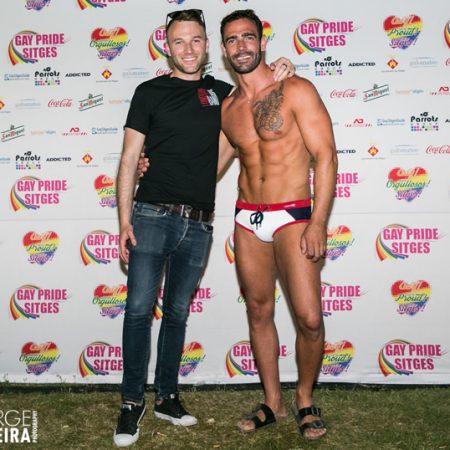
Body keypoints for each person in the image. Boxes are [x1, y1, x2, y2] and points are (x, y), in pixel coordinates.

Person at [114, 9, 295, 447]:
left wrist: (283, 70)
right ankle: (132, 402)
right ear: (167, 47)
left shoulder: (224, 95)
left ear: (208, 46)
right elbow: (129, 158)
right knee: (138, 311)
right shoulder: (149, 92)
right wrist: (123, 221)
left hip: (198, 225)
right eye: (179, 41)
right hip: (151, 216)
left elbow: (260, 99)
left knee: (177, 313)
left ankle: (167, 397)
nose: (188, 49)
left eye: (196, 40)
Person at [219, 9, 337, 440]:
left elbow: (326, 155)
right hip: (247, 217)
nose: (241, 46)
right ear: (224, 50)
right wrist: (152, 168)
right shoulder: (228, 108)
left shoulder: (296, 89)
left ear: (263, 42)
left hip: (293, 215)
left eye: (248, 37)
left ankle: (304, 397)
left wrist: (318, 221)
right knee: (258, 310)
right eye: (232, 40)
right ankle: (273, 401)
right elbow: (209, 167)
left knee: (309, 318)